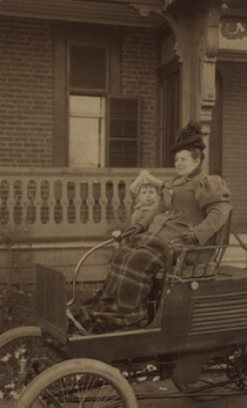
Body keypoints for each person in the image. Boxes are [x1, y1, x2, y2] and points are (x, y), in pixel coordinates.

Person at [74, 121, 232, 333]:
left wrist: (196, 234)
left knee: (139, 260)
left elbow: (220, 213)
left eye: (183, 159)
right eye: (176, 159)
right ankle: (106, 308)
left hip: (186, 246)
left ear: (197, 160)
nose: (178, 163)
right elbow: (158, 208)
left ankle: (129, 317)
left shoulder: (207, 183)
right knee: (122, 253)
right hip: (162, 239)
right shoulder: (174, 183)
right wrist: (138, 226)